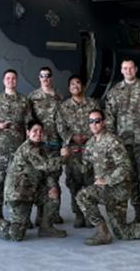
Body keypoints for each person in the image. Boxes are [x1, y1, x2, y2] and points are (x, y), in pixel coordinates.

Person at [76, 109, 140, 246]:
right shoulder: (90, 144)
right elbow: (84, 166)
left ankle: (103, 233)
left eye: (97, 121)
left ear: (104, 122)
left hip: (117, 190)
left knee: (82, 196)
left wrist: (107, 180)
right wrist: (67, 157)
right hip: (107, 191)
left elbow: (125, 166)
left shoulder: (112, 141)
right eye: (91, 121)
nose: (94, 124)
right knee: (123, 232)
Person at [0, 121, 68, 241]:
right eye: (34, 131)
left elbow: (47, 173)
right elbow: (45, 166)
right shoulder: (28, 148)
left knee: (52, 195)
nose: (38, 134)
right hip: (18, 194)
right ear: (27, 133)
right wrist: (64, 157)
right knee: (16, 235)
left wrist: (52, 187)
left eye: (41, 131)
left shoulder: (42, 148)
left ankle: (46, 227)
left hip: (32, 189)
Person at [103, 59, 140, 225]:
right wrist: (112, 143)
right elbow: (109, 119)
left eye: (131, 68)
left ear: (136, 69)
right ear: (121, 71)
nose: (128, 70)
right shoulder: (114, 92)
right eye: (125, 68)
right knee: (130, 180)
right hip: (123, 145)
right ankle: (138, 214)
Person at [55, 74, 100, 227]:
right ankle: (78, 214)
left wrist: (89, 137)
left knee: (90, 181)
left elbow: (100, 123)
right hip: (73, 150)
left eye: (78, 83)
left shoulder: (93, 104)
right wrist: (72, 137)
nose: (75, 86)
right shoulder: (64, 106)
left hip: (90, 149)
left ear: (83, 86)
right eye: (72, 84)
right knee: (74, 183)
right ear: (69, 88)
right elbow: (60, 126)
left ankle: (90, 214)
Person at [0, 69, 31, 218]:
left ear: (17, 81)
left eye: (13, 78)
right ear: (3, 81)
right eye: (8, 78)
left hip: (19, 149)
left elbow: (29, 123)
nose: (11, 81)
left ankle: (20, 215)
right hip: (1, 149)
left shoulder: (24, 101)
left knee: (20, 182)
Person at [28, 66, 63, 224]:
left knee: (54, 177)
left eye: (48, 76)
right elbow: (29, 121)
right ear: (39, 78)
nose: (45, 79)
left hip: (54, 142)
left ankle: (54, 213)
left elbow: (62, 121)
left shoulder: (59, 97)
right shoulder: (33, 97)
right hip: (39, 143)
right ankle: (40, 214)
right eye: (42, 76)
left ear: (51, 78)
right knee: (39, 178)